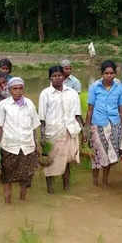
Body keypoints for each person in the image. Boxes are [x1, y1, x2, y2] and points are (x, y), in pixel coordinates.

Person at [0, 77, 40, 203]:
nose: (18, 91)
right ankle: (8, 202)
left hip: (27, 146)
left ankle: (22, 200)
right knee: (7, 178)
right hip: (9, 146)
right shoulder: (3, 105)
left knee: (25, 177)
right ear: (9, 90)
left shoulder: (29, 104)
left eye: (20, 88)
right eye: (15, 88)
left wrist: (37, 144)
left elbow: (34, 127)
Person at [39, 66, 84, 194]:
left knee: (68, 161)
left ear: (64, 77)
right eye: (54, 76)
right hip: (52, 133)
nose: (57, 78)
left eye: (59, 75)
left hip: (70, 131)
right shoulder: (45, 94)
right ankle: (50, 188)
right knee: (50, 162)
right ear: (50, 78)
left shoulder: (72, 93)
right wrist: (42, 136)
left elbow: (77, 115)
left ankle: (66, 186)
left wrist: (83, 131)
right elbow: (42, 118)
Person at [85, 60, 122, 187]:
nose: (109, 75)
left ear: (115, 73)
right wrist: (86, 128)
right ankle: (95, 181)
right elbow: (90, 109)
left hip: (115, 124)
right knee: (97, 155)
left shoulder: (119, 88)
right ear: (102, 74)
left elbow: (121, 111)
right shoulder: (94, 87)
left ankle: (105, 180)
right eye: (106, 73)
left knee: (112, 154)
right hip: (98, 125)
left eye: (112, 73)